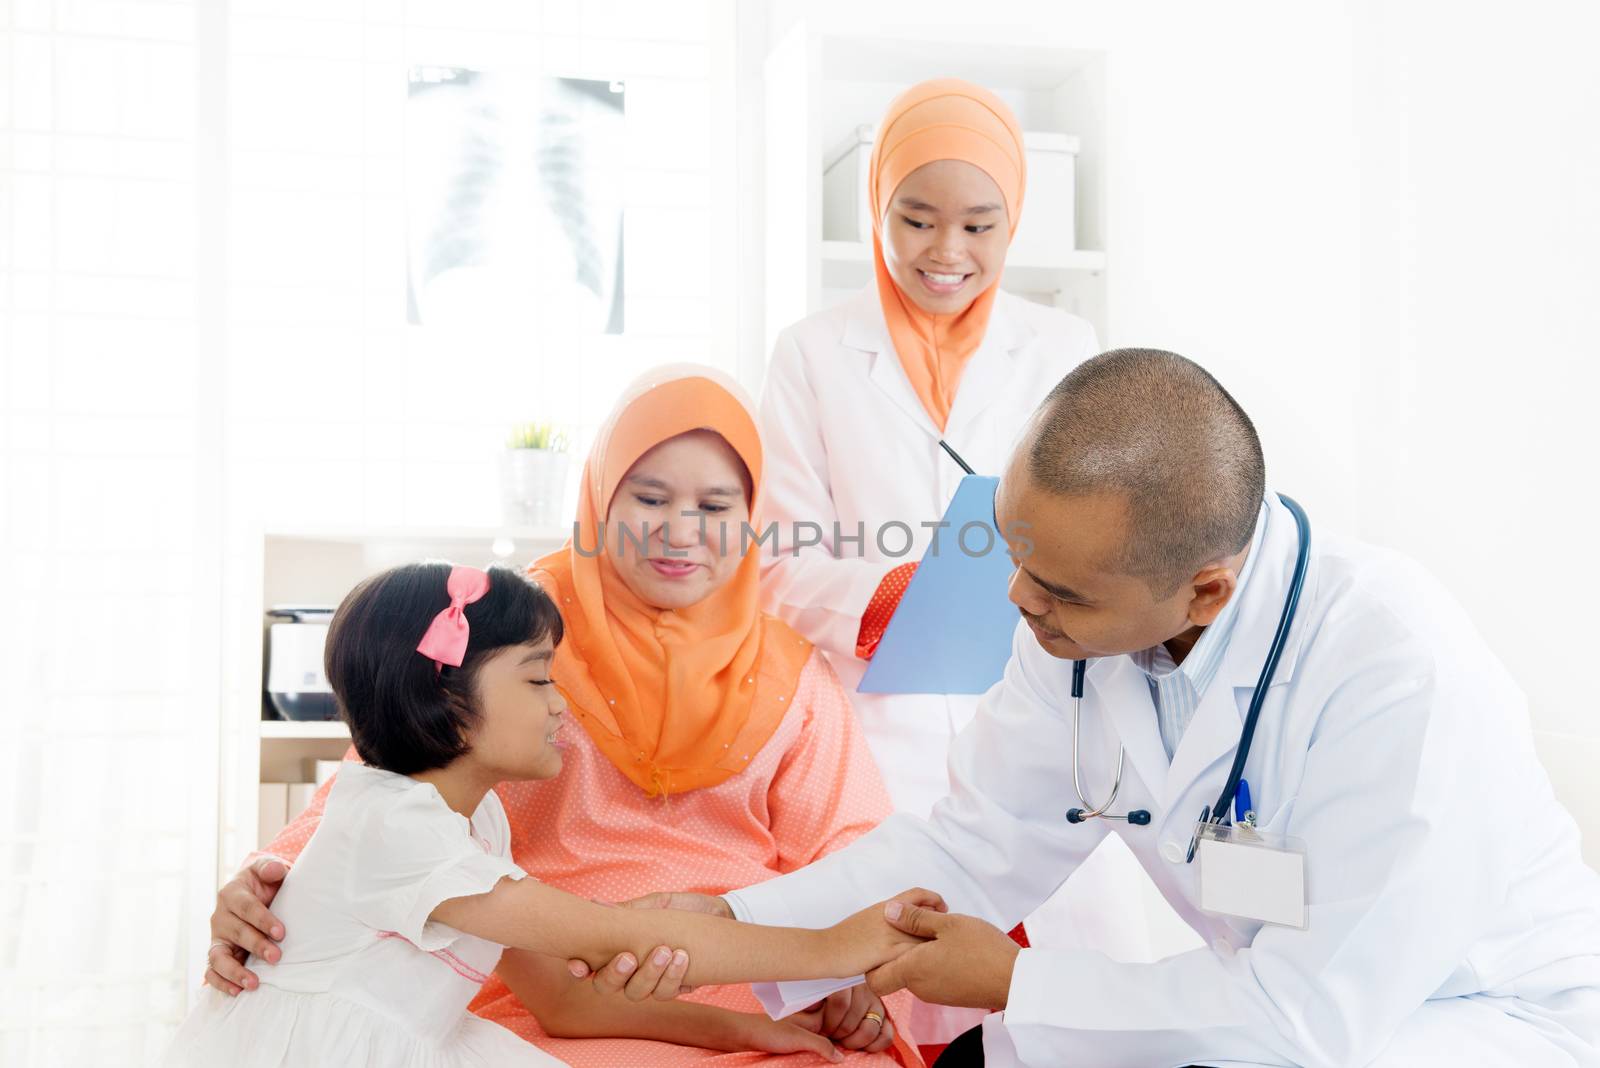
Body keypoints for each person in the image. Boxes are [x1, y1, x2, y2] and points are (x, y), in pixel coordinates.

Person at [631, 350, 1600, 1067]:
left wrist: (1013, 982)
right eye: (1014, 558)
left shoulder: (1399, 677)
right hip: (1258, 1001)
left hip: (1464, 1017)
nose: (1019, 602)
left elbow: (1310, 1021)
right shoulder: (1076, 623)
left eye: (1060, 590)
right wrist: (732, 916)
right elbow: (973, 845)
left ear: (1206, 591)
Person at [204, 367, 926, 1066]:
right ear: (601, 498)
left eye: (715, 508)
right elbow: (386, 782)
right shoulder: (504, 633)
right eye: (649, 498)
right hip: (547, 969)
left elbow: (855, 844)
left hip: (761, 972)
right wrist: (269, 887)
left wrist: (843, 971)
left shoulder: (792, 669)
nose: (681, 532)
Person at [165, 560, 925, 1067]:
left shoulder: (478, 820)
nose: (562, 704)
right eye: (537, 680)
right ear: (447, 702)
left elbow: (563, 999)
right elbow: (612, 939)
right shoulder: (393, 829)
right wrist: (838, 948)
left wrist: (752, 1029)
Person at [758, 78, 1100, 820]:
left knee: (1055, 924)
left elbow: (1099, 526)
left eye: (979, 226)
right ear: (876, 209)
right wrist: (898, 599)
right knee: (892, 915)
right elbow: (779, 563)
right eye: (916, 220)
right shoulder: (810, 353)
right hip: (874, 718)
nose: (947, 252)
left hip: (1034, 695)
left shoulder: (1065, 349)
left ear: (1013, 223)